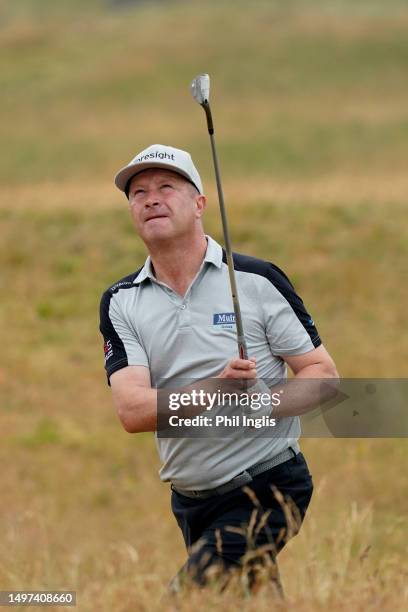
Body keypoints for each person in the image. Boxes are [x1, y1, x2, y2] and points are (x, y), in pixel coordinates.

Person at [99, 144, 338, 593]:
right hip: (190, 501)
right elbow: (132, 411)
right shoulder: (121, 301)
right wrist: (216, 388)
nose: (151, 198)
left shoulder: (255, 280)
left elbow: (323, 377)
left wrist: (263, 402)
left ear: (200, 204)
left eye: (166, 187)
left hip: (266, 486)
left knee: (186, 600)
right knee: (251, 600)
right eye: (138, 192)